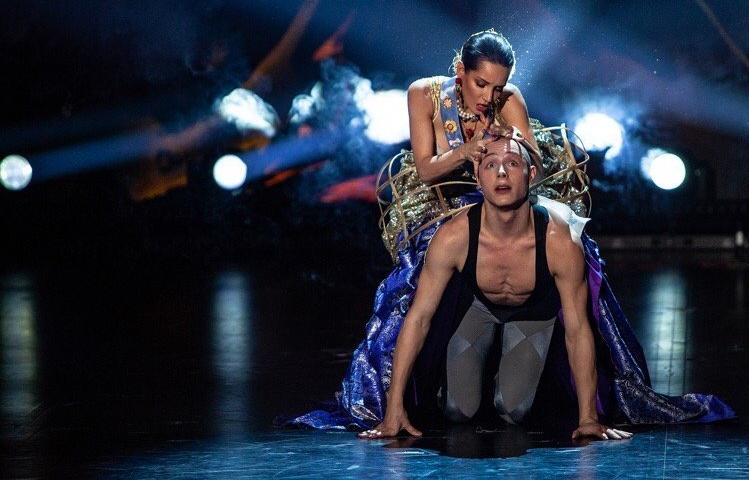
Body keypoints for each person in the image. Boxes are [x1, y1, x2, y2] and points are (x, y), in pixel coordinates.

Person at [284, 29, 734, 432]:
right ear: (460, 72)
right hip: (446, 208)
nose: (489, 96)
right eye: (481, 84)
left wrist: (507, 150)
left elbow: (532, 167)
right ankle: (399, 400)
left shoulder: (508, 100)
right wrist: (468, 153)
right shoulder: (425, 95)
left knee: (575, 259)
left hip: (508, 204)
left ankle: (577, 390)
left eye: (498, 87)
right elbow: (425, 169)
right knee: (411, 295)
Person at [359, 136, 631, 440]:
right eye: (490, 165)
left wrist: (588, 418)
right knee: (458, 410)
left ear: (530, 175)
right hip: (478, 309)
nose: (501, 172)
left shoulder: (560, 241)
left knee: (513, 411)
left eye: (512, 163)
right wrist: (394, 409)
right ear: (478, 178)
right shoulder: (453, 237)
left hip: (533, 313)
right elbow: (418, 318)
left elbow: (578, 329)